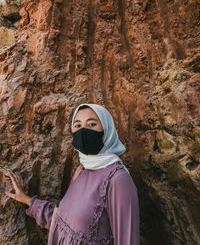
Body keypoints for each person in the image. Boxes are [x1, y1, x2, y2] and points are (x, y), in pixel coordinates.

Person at [5, 103, 140, 245]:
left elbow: (127, 240)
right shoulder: (81, 170)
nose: (83, 131)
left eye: (92, 124)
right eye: (77, 125)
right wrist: (27, 200)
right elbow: (64, 224)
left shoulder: (118, 179)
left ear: (106, 130)